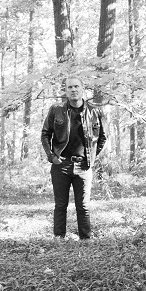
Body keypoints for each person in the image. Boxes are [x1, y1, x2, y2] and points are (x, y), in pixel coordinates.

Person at [40, 76, 107, 240]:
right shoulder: (56, 110)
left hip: (83, 166)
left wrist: (90, 157)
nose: (73, 90)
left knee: (83, 206)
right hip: (60, 164)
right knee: (60, 205)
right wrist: (51, 156)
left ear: (83, 89)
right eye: (69, 87)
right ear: (65, 90)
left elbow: (102, 138)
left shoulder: (95, 111)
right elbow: (45, 134)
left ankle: (85, 238)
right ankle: (58, 238)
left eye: (76, 86)